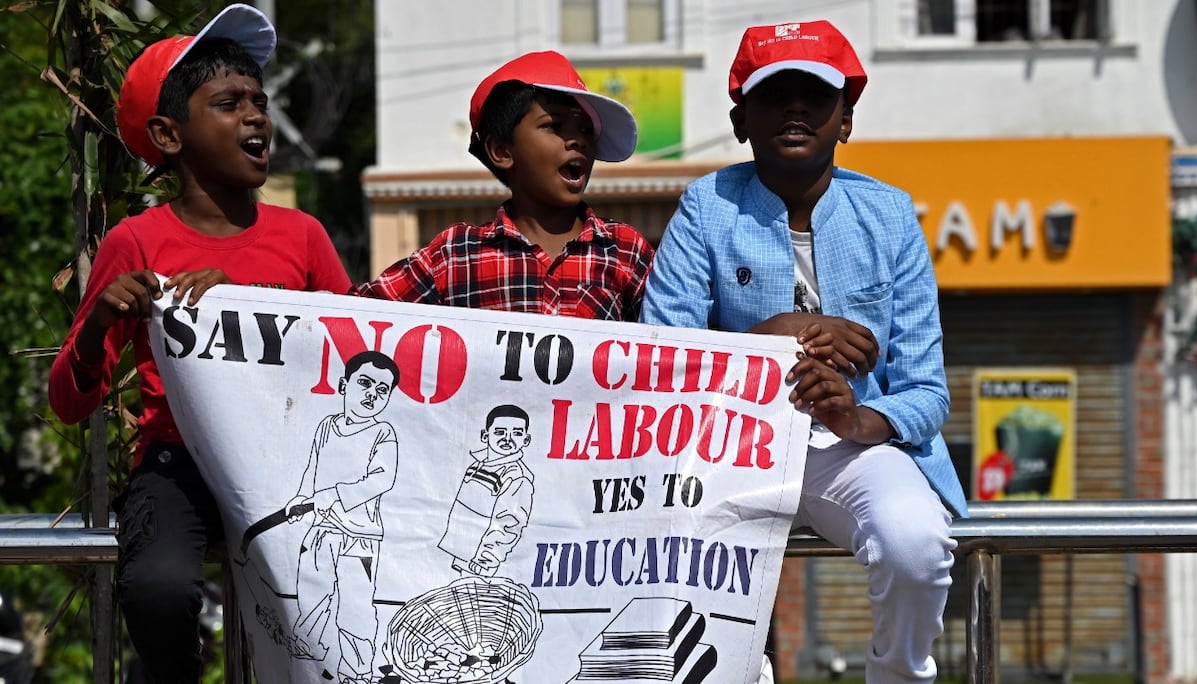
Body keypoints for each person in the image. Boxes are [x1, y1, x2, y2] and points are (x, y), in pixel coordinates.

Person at [639, 20, 968, 684]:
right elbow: (658, 359)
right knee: (686, 572)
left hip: (852, 449)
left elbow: (927, 390)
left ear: (845, 118)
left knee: (916, 544)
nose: (795, 110)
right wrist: (773, 337)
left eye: (814, 96)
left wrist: (859, 421)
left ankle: (898, 677)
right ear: (740, 119)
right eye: (773, 94)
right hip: (726, 446)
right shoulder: (704, 208)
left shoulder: (891, 215)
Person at [47, 5, 352, 682]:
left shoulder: (304, 236)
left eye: (259, 102)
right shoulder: (136, 242)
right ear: (168, 134)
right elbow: (69, 401)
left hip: (293, 462)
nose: (255, 117)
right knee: (156, 587)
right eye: (228, 103)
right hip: (178, 465)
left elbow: (352, 352)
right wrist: (100, 319)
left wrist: (250, 301)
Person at [350, 51, 653, 322]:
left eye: (585, 129)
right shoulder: (455, 255)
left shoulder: (624, 249)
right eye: (554, 126)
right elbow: (354, 317)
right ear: (502, 152)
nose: (578, 140)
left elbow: (674, 341)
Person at [283, 350, 400, 683]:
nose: (371, 394)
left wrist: (333, 496)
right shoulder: (327, 427)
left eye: (381, 390)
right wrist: (301, 500)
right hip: (320, 530)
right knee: (311, 595)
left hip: (358, 537)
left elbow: (381, 479)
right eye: (364, 383)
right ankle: (308, 658)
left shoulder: (382, 433)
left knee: (355, 608)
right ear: (343, 385)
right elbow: (313, 471)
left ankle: (359, 671)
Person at [438, 404, 535, 577]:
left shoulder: (516, 476)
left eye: (517, 433)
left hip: (480, 563)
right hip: (460, 553)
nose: (507, 439)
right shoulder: (476, 466)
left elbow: (509, 524)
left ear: (526, 440)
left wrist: (487, 559)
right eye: (500, 432)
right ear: (485, 435)